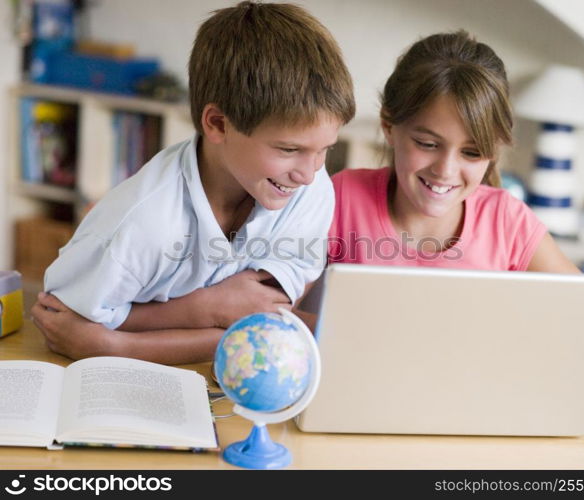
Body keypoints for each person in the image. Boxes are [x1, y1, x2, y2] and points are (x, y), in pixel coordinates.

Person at [31, 1, 355, 365]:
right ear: (217, 124)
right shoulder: (142, 225)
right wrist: (207, 308)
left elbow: (265, 318)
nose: (308, 173)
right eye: (288, 149)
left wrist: (118, 344)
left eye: (324, 150)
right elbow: (65, 323)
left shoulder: (309, 189)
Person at [303, 30, 584, 374]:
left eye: (471, 153)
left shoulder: (508, 222)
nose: (446, 170)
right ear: (389, 127)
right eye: (427, 143)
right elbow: (274, 314)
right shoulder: (340, 199)